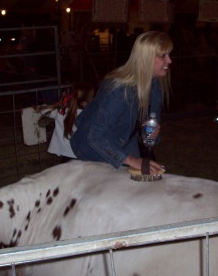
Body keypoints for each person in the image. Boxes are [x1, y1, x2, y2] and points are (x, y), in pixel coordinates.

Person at [70, 31, 172, 175]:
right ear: (146, 59)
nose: (169, 61)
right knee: (112, 191)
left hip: (124, 141)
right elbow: (96, 136)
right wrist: (131, 160)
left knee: (146, 180)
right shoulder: (118, 90)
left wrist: (151, 135)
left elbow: (146, 135)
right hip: (92, 146)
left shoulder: (155, 86)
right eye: (163, 56)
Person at [38, 83, 95, 163]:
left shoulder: (60, 111)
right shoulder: (90, 115)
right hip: (82, 155)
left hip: (65, 154)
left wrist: (61, 102)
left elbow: (43, 109)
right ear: (85, 102)